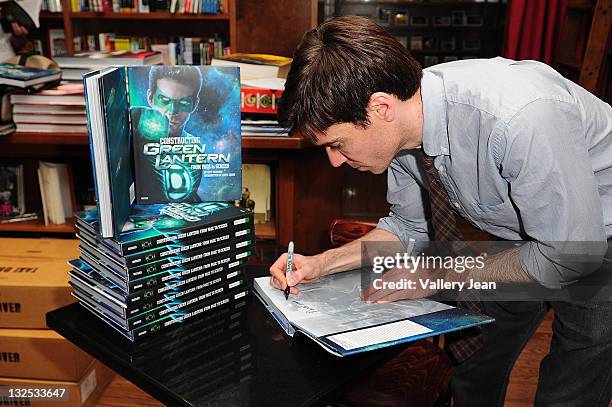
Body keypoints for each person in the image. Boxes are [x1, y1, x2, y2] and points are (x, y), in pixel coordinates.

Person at [268, 16, 612, 407]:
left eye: (337, 143)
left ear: (380, 107)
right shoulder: (401, 130)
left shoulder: (520, 116)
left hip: (596, 234)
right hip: (524, 235)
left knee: (569, 391)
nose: (333, 161)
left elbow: (570, 257)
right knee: (475, 360)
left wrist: (436, 275)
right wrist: (321, 264)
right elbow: (408, 229)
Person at [131, 66, 203, 202]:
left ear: (194, 104)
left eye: (183, 103)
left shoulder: (195, 149)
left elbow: (191, 198)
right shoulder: (134, 121)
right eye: (164, 101)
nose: (172, 111)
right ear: (150, 97)